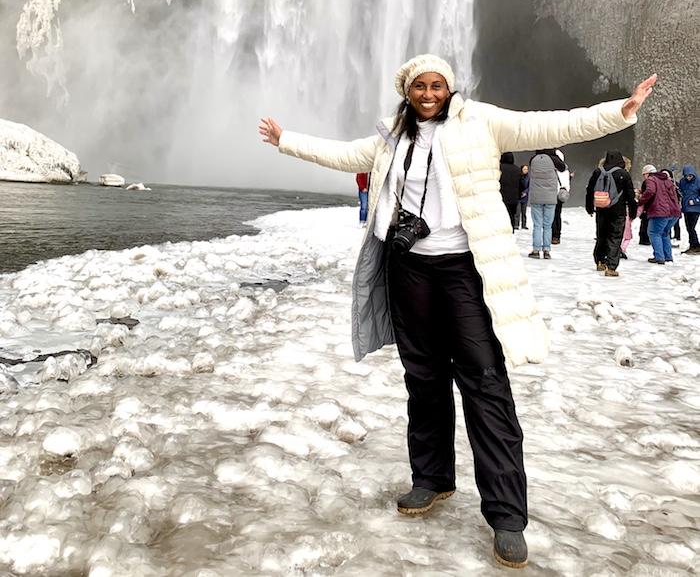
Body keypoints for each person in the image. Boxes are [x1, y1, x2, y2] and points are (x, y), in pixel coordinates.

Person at [259, 55, 655, 569]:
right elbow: (340, 155)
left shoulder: (482, 122)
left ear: (450, 87)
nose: (428, 93)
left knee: (485, 380)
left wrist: (619, 111)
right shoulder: (390, 137)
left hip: (466, 269)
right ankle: (432, 479)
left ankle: (508, 516)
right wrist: (285, 138)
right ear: (407, 90)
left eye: (437, 84)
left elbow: (553, 122)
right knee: (422, 376)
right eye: (419, 85)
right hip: (409, 270)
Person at [584, 151, 637, 276]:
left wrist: (590, 207)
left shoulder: (598, 172)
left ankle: (600, 261)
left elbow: (590, 190)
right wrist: (633, 211)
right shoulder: (623, 174)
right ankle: (611, 267)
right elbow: (630, 195)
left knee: (601, 235)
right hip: (618, 211)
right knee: (615, 237)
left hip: (601, 210)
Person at [527, 149, 566, 259]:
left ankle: (535, 250)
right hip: (550, 198)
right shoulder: (554, 159)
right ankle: (546, 250)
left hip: (536, 197)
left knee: (537, 225)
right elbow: (563, 168)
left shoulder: (533, 159)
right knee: (548, 225)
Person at [638, 167, 681, 264]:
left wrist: (641, 201)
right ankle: (668, 256)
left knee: (654, 233)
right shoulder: (667, 179)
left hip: (660, 211)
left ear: (647, 173)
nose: (644, 177)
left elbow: (650, 191)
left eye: (644, 174)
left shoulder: (651, 179)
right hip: (674, 211)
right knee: (665, 233)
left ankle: (659, 257)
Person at [679, 164, 700, 254]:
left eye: (690, 176)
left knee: (691, 227)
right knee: (688, 227)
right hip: (686, 208)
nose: (688, 178)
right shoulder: (682, 182)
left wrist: (695, 201)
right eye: (687, 176)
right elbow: (680, 191)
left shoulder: (698, 181)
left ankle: (696, 245)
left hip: (695, 208)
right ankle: (693, 245)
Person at [551, 149, 570, 245]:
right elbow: (567, 184)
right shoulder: (565, 169)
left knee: (552, 215)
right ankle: (557, 236)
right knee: (558, 215)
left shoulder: (552, 169)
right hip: (561, 195)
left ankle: (553, 235)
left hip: (552, 194)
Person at [499, 152, 521, 231]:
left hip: (501, 197)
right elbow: (521, 184)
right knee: (511, 216)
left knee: (501, 216)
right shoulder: (517, 169)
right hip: (513, 198)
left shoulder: (499, 168)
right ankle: (511, 232)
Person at [637, 164, 656, 245]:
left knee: (645, 222)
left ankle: (644, 239)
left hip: (648, 206)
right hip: (656, 206)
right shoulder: (658, 180)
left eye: (644, 174)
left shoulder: (648, 181)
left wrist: (641, 200)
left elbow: (648, 192)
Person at [517, 164, 529, 229]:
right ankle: (516, 224)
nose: (526, 170)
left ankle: (524, 225)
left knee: (524, 212)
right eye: (524, 169)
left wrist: (525, 192)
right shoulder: (518, 176)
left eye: (527, 169)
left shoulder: (528, 177)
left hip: (525, 197)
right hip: (518, 196)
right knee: (517, 212)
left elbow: (529, 186)